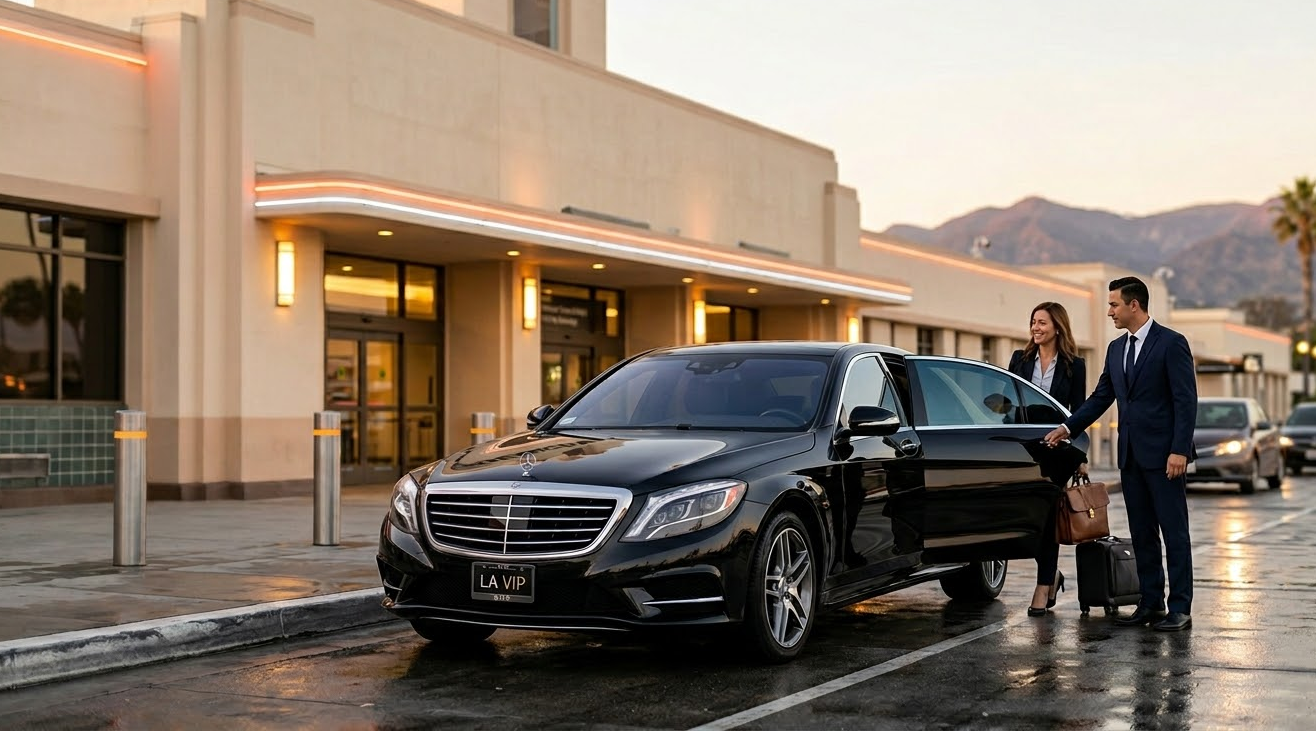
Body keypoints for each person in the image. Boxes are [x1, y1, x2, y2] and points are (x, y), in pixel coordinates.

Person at [1044, 276, 1197, 632]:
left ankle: (1180, 608)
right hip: (1129, 455)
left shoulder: (1171, 344)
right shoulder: (1115, 349)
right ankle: (1151, 603)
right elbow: (1101, 398)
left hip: (1165, 458)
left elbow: (1185, 401)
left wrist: (1179, 451)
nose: (1109, 311)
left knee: (1174, 533)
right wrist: (1068, 428)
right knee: (1142, 533)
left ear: (1134, 305)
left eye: (1114, 305)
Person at [1008, 301, 1086, 616]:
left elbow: (1079, 410)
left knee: (1050, 516)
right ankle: (1051, 574)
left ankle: (1043, 585)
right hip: (1027, 448)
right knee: (1032, 518)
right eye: (1033, 322)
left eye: (1042, 323)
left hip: (1059, 451)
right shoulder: (1020, 359)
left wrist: (1081, 455)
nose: (1036, 328)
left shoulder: (1074, 365)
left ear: (1057, 326)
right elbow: (1010, 401)